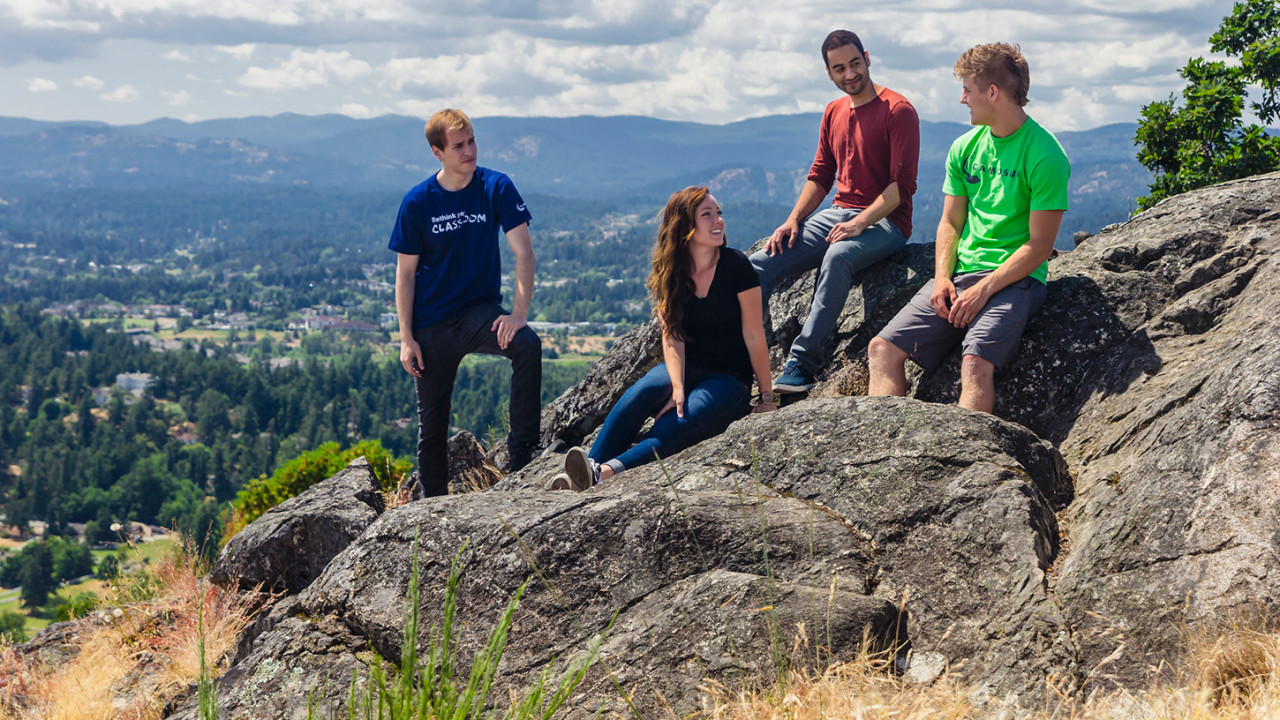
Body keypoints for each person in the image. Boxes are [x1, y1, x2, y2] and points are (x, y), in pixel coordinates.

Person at [867, 43, 1070, 412]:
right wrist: (943, 277)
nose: (962, 99)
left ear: (992, 92)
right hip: (961, 276)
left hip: (1016, 280)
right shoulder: (964, 147)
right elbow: (950, 221)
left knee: (974, 364)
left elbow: (1040, 246)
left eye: (967, 89)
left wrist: (983, 290)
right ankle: (880, 447)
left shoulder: (1045, 155)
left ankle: (969, 462)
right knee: (882, 349)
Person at [551, 186, 777, 491]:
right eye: (707, 215)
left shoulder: (737, 266)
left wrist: (766, 398)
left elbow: (753, 334)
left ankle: (604, 473)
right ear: (685, 225)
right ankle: (587, 469)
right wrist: (677, 386)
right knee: (636, 396)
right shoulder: (673, 270)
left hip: (728, 380)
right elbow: (673, 338)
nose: (718, 221)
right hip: (686, 366)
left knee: (680, 420)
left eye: (719, 213)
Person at [750, 29, 920, 394]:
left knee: (839, 256)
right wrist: (793, 220)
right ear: (829, 73)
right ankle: (742, 355)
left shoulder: (898, 111)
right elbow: (821, 175)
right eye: (839, 68)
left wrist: (859, 223)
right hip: (837, 212)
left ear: (868, 58)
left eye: (855, 64)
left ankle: (802, 364)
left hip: (886, 222)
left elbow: (901, 187)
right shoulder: (834, 111)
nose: (849, 74)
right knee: (761, 261)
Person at [390, 108, 541, 497]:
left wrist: (518, 314)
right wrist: (407, 338)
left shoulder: (496, 187)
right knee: (433, 423)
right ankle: (432, 504)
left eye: (472, 140)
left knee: (527, 346)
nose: (469, 150)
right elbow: (405, 275)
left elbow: (524, 252)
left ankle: (523, 457)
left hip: (479, 313)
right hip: (432, 322)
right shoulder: (417, 202)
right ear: (438, 152)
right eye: (459, 145)